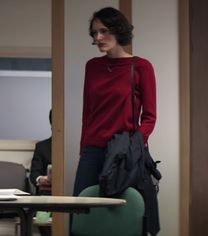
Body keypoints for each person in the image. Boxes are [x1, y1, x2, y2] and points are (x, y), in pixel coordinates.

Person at [72, 6, 157, 234]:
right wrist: (84, 150)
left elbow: (149, 116)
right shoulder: (92, 67)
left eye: (104, 31)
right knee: (80, 215)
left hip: (124, 153)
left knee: (123, 217)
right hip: (92, 151)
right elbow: (87, 113)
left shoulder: (141, 67)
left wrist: (137, 142)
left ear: (119, 31)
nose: (98, 38)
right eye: (94, 33)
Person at [30, 109, 52, 236]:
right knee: (41, 218)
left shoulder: (77, 146)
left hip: (70, 192)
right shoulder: (42, 147)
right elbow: (34, 173)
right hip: (46, 195)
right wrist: (40, 179)